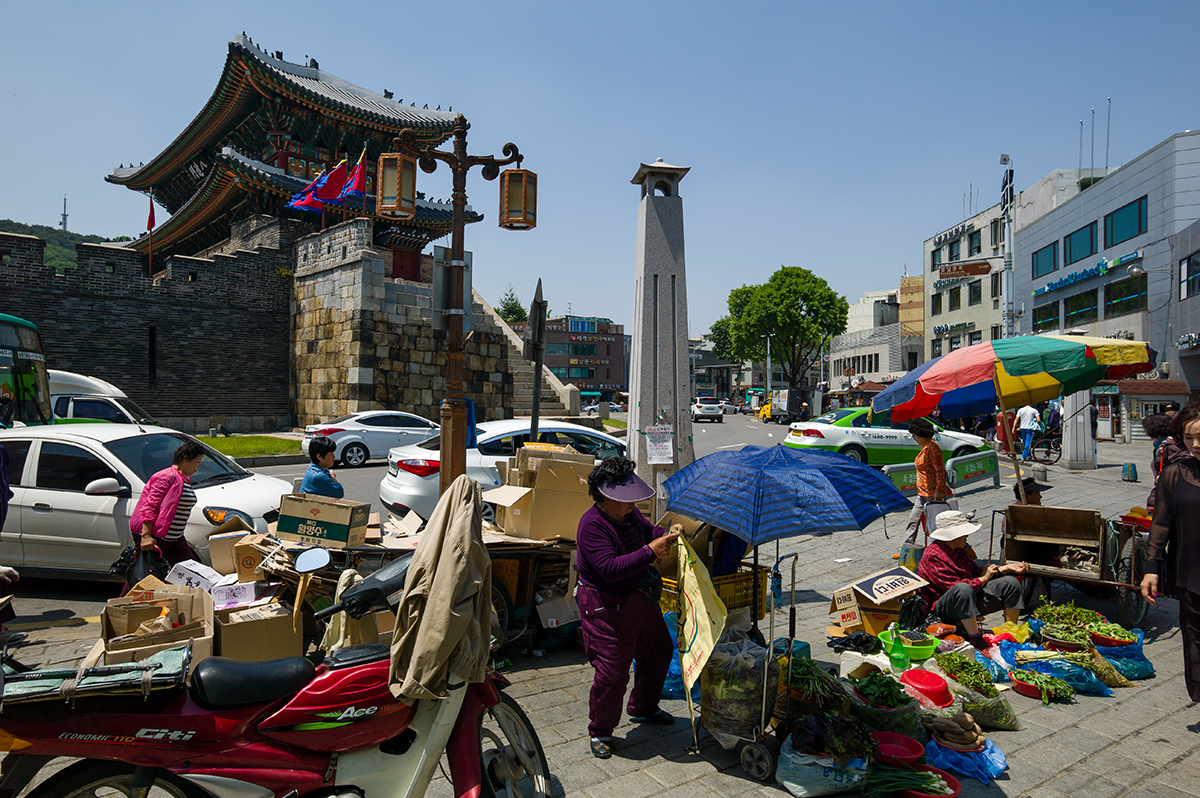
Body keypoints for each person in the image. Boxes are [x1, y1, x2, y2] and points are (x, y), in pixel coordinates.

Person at [576, 456, 682, 759]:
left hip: (638, 596)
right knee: (612, 671)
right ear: (606, 497)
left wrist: (666, 535)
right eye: (626, 499)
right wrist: (650, 552)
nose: (633, 504)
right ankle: (600, 730)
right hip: (605, 604)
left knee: (659, 649)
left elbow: (649, 532)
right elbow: (610, 568)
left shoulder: (630, 515)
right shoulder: (592, 525)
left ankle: (644, 706)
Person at [1142, 402, 1200, 701]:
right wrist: (1151, 568)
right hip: (1191, 574)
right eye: (1188, 438)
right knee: (1195, 641)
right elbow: (1161, 525)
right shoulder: (1174, 475)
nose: (1195, 444)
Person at [918, 509, 1028, 649]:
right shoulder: (933, 556)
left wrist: (1006, 568)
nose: (967, 536)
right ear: (953, 536)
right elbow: (958, 587)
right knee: (963, 589)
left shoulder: (958, 550)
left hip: (969, 596)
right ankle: (975, 638)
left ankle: (1010, 633)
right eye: (964, 533)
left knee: (1011, 583)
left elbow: (976, 573)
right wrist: (985, 577)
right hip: (944, 607)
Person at [128, 440, 206, 567]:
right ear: (185, 458)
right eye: (197, 462)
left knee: (189, 569)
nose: (198, 467)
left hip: (174, 537)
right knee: (145, 572)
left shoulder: (183, 479)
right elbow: (151, 506)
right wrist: (146, 536)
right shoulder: (166, 477)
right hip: (156, 536)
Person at [900, 418, 953, 548]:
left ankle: (940, 549)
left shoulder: (933, 448)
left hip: (933, 494)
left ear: (920, 434)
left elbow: (940, 471)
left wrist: (939, 490)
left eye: (914, 435)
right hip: (922, 493)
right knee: (913, 520)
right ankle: (907, 547)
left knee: (935, 524)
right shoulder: (925, 447)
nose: (913, 437)